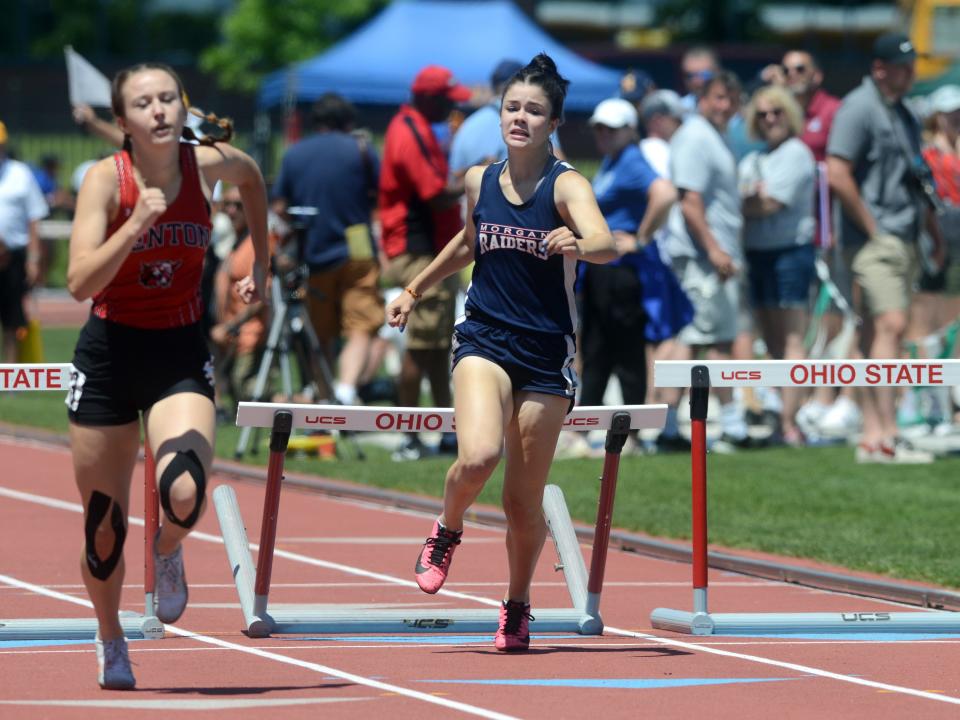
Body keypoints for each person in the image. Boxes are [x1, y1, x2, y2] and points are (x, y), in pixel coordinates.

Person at [386, 54, 617, 652]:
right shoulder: (478, 180)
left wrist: (580, 242)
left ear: (554, 121)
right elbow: (469, 241)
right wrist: (415, 288)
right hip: (484, 337)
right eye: (512, 107)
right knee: (480, 453)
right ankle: (448, 527)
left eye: (534, 111)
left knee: (522, 501)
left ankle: (517, 605)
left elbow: (606, 241)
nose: (520, 118)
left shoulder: (567, 185)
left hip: (546, 353)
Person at [65, 63, 268, 689]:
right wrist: (135, 224)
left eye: (166, 99)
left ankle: (170, 547)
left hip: (177, 351)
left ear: (182, 108)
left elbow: (254, 176)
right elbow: (78, 283)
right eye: (142, 103)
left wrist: (262, 255)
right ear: (121, 121)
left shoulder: (206, 165)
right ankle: (111, 637)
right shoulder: (106, 180)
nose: (158, 110)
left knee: (184, 490)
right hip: (108, 355)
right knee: (103, 526)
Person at [827, 32, 942, 463]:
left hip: (904, 237)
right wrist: (873, 229)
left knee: (878, 332)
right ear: (879, 67)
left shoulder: (903, 112)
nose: (911, 72)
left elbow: (916, 180)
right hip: (877, 239)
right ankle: (887, 431)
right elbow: (837, 173)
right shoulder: (858, 107)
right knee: (890, 325)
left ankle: (875, 435)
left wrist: (929, 232)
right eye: (903, 65)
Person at [379, 65, 470, 460]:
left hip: (423, 250)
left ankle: (444, 431)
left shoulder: (413, 126)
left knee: (434, 348)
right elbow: (436, 196)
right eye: (448, 102)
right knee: (419, 348)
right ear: (429, 98)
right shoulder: (410, 130)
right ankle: (410, 435)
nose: (452, 109)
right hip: (419, 251)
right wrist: (473, 175)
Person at [272, 93, 384, 407]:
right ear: (347, 121)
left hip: (314, 249)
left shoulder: (294, 154)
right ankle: (347, 390)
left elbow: (280, 206)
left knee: (319, 332)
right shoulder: (362, 149)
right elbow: (378, 197)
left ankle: (325, 396)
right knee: (361, 324)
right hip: (358, 243)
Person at [580, 98, 676, 453]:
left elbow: (665, 193)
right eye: (599, 128)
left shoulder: (632, 160)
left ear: (628, 130)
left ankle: (631, 433)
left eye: (611, 129)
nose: (602, 135)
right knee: (597, 348)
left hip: (622, 273)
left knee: (625, 350)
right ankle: (587, 427)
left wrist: (640, 238)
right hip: (605, 270)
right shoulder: (615, 159)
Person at [663, 70, 754, 450]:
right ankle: (685, 426)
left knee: (708, 338)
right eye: (717, 97)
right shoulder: (696, 136)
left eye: (731, 99)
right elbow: (690, 200)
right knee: (702, 338)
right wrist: (714, 249)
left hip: (713, 256)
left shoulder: (715, 136)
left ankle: (676, 426)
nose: (725, 105)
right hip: (704, 258)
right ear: (700, 98)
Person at [738, 85, 817, 446]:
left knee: (791, 338)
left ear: (790, 114)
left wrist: (738, 204)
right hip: (758, 252)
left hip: (789, 252)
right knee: (770, 342)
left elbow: (769, 204)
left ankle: (789, 422)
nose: (770, 119)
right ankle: (778, 419)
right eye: (763, 114)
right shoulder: (755, 159)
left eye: (777, 112)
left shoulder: (797, 154)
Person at [0, 120, 49, 362]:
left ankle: (9, 375)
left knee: (13, 318)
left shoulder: (20, 173)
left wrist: (33, 258)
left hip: (12, 256)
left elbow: (34, 218)